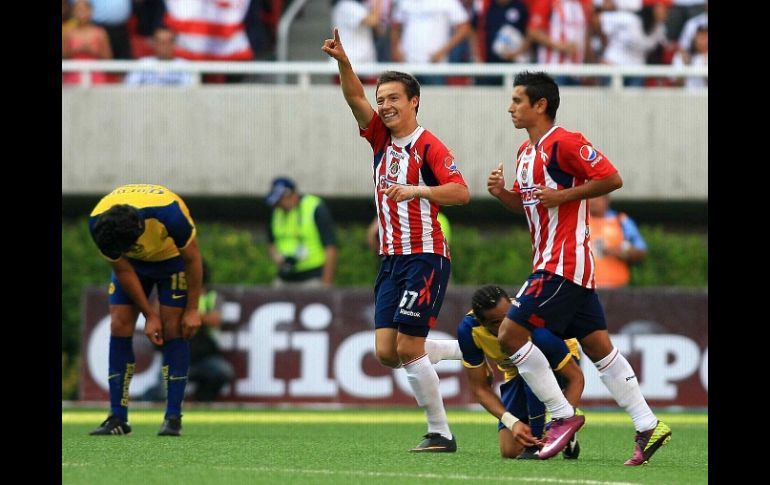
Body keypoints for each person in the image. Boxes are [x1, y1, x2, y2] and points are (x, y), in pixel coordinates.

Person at [486, 71, 671, 464]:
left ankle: (563, 416)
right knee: (599, 348)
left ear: (541, 105)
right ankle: (648, 423)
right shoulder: (525, 153)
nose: (510, 107)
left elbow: (611, 179)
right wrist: (503, 194)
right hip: (558, 265)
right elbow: (531, 205)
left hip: (561, 264)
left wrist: (564, 194)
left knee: (509, 333)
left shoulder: (565, 142)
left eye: (518, 100)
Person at [322, 29, 471, 452]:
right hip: (390, 260)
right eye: (381, 99)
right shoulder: (380, 140)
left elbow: (461, 192)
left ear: (414, 101)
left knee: (408, 347)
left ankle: (440, 432)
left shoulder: (429, 147)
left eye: (392, 99)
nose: (384, 106)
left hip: (425, 256)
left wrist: (418, 190)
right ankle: (478, 346)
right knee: (387, 352)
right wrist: (344, 63)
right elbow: (354, 100)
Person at [88, 184, 202, 437]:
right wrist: (149, 315)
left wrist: (193, 309)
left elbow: (193, 259)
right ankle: (117, 417)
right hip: (133, 268)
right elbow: (124, 270)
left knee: (173, 327)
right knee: (119, 324)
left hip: (172, 261)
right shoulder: (99, 224)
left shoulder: (170, 214)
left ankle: (173, 417)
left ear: (140, 229)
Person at [460, 285, 584, 459]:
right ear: (482, 323)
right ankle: (549, 435)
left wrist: (563, 423)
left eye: (508, 316)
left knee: (531, 373)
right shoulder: (468, 330)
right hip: (515, 372)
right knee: (510, 450)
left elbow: (575, 377)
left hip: (560, 359)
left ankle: (556, 431)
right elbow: (480, 389)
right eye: (496, 323)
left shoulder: (530, 320)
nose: (506, 325)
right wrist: (513, 423)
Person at [266, 176, 338, 288]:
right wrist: (277, 257)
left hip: (313, 277)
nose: (278, 205)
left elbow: (331, 248)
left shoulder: (315, 207)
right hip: (286, 275)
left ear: (293, 195)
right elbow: (270, 243)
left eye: (281, 200)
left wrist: (326, 284)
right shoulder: (276, 212)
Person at [188, 259, 235, 401]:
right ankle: (143, 402)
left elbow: (215, 320)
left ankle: (201, 401)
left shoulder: (211, 297)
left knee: (222, 371)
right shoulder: (174, 293)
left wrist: (189, 314)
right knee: (162, 391)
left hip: (204, 354)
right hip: (178, 353)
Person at [589, 194, 647, 288]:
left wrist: (624, 252)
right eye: (589, 196)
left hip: (617, 289)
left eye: (597, 196)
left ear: (607, 200)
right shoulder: (578, 221)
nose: (592, 201)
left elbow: (641, 251)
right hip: (585, 289)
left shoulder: (621, 221)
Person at [124, 26, 195, 86]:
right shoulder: (142, 64)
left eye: (168, 41)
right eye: (160, 41)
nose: (164, 45)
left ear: (174, 44)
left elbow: (191, 96)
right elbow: (129, 91)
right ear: (153, 43)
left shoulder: (186, 67)